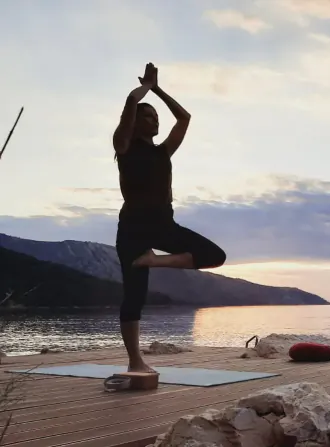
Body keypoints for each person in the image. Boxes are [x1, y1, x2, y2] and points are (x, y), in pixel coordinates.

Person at [112, 63, 227, 373]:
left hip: (164, 225)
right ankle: (136, 362)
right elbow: (131, 104)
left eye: (156, 117)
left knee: (215, 255)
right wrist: (144, 90)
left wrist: (159, 89)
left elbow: (184, 118)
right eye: (148, 116)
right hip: (134, 227)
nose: (155, 120)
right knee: (134, 296)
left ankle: (153, 260)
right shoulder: (123, 146)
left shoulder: (163, 152)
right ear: (135, 122)